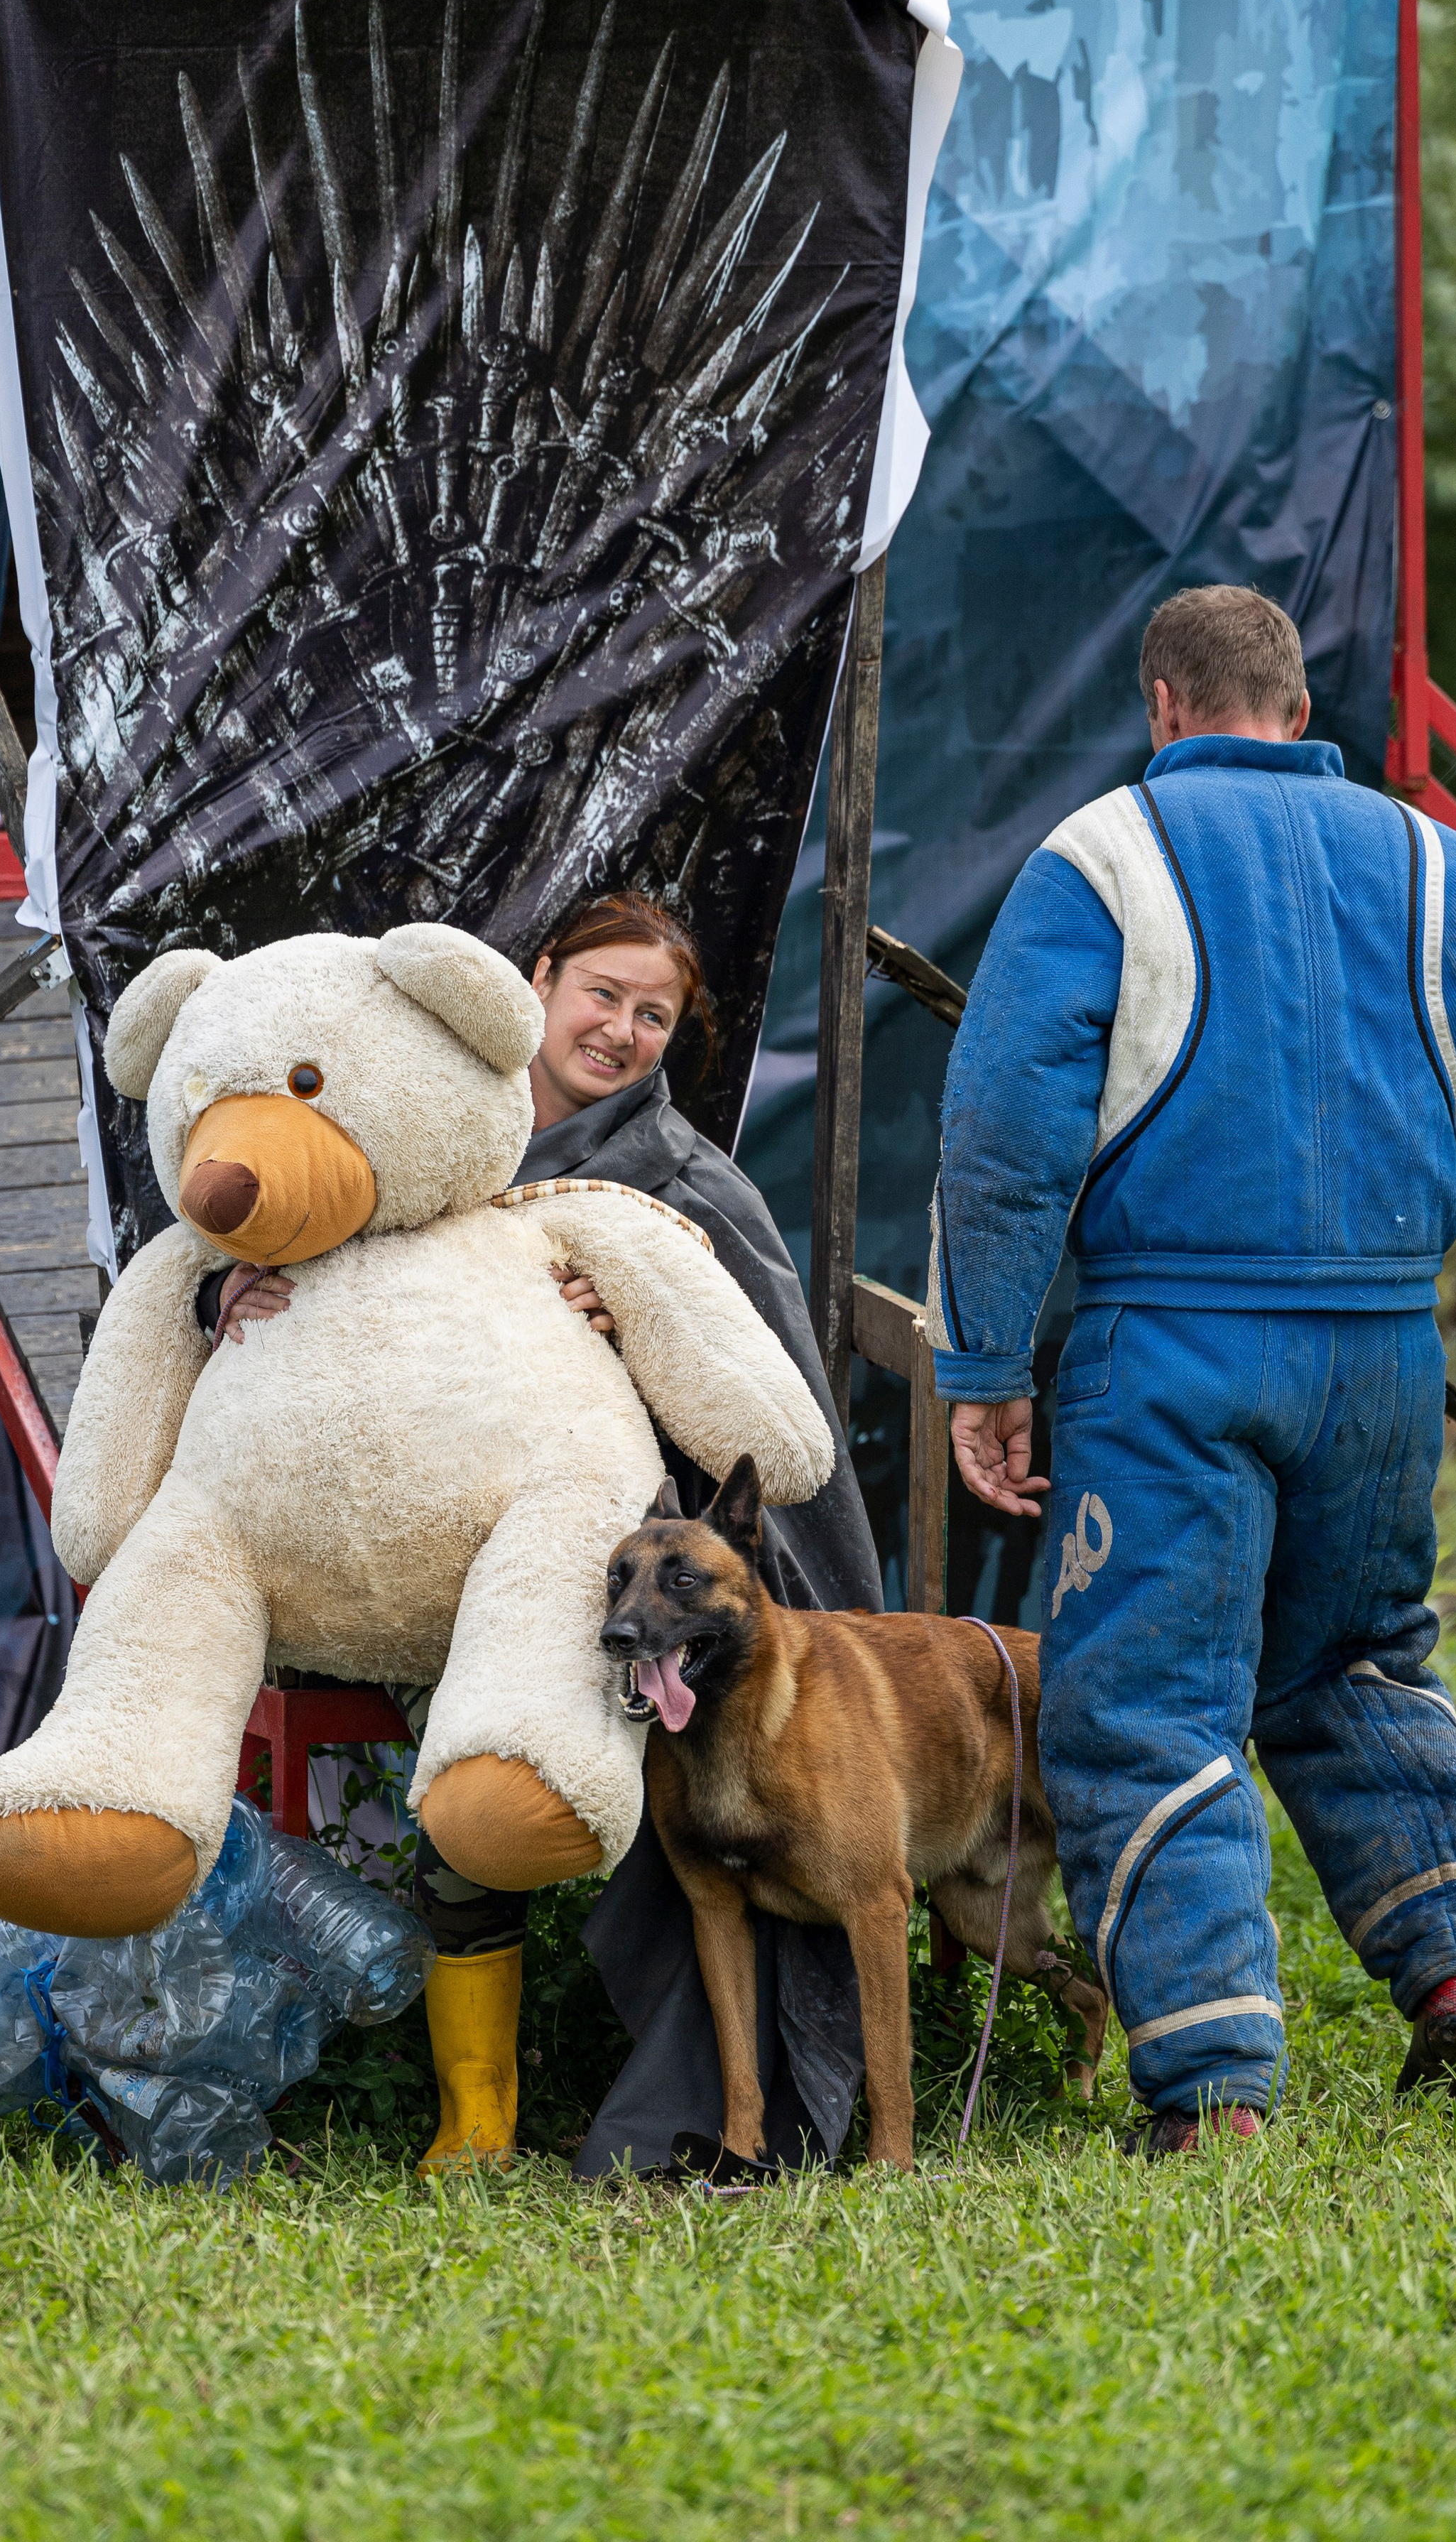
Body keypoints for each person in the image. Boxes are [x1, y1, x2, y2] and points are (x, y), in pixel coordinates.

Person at [931, 585, 1456, 2152]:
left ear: (1161, 705)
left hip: (1169, 1350)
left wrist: (983, 1365)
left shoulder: (1095, 860)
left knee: (1147, 1706)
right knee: (1354, 1660)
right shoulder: (1441, 865)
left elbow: (1004, 1131)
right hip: (1378, 1353)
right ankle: (1452, 1968)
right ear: (1299, 715)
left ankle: (1212, 2083)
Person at [202, 893, 881, 2172]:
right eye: (603, 996)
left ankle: (698, 2114)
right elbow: (309, 1227)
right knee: (466, 1789)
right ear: (542, 979)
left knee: (650, 1793)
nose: (621, 1032)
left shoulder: (681, 1186)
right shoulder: (434, 1127)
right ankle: (476, 2120)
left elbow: (761, 1430)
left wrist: (636, 1339)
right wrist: (219, 1291)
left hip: (622, 1585)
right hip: (426, 1567)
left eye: (655, 1017)